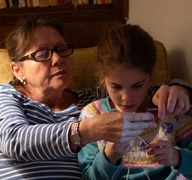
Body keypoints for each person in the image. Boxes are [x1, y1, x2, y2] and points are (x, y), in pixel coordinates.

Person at [0, 16, 192, 179]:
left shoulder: (90, 99)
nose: (56, 59)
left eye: (61, 49)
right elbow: (14, 140)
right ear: (17, 70)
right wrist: (84, 131)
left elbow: (142, 90)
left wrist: (179, 89)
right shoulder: (4, 95)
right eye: (42, 53)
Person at [78, 24, 192, 179]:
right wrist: (108, 157)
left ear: (150, 77)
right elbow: (88, 177)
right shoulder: (92, 116)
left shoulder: (169, 111)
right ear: (102, 78)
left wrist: (178, 158)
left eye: (137, 86)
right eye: (116, 86)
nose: (126, 97)